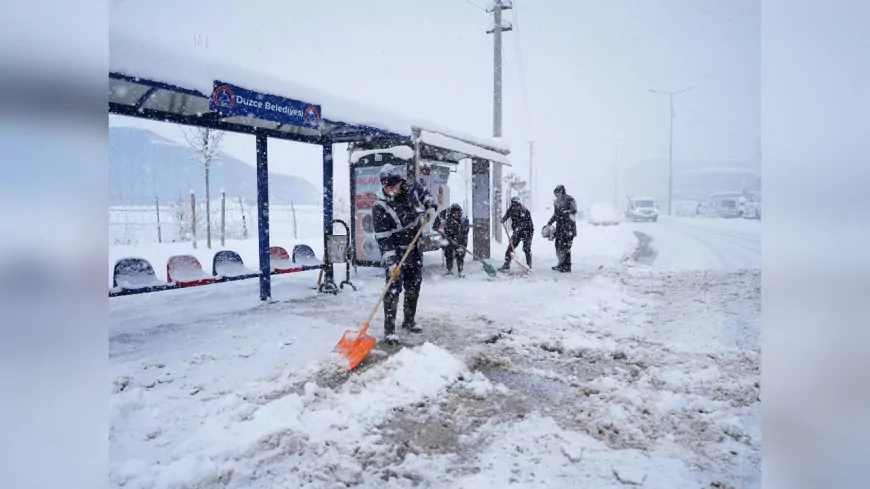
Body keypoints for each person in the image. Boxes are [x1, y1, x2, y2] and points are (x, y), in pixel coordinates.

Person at [371, 164, 438, 345]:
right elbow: (384, 238)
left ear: (400, 182)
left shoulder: (411, 187)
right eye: (388, 187)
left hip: (415, 245)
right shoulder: (380, 207)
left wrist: (430, 206)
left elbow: (426, 195)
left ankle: (409, 321)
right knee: (393, 288)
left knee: (414, 284)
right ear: (383, 186)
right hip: (396, 250)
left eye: (395, 185)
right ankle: (390, 330)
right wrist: (392, 262)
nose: (392, 189)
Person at [432, 203, 470, 276]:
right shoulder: (444, 214)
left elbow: (465, 231)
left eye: (459, 213)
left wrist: (459, 243)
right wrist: (442, 231)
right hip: (448, 235)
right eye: (456, 213)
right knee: (448, 251)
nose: (458, 214)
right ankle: (449, 270)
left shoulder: (464, 218)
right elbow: (435, 226)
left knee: (460, 252)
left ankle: (460, 271)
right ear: (452, 212)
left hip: (461, 236)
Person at [546, 184, 578, 272]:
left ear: (562, 191)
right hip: (560, 228)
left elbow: (574, 211)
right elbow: (555, 214)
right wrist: (549, 223)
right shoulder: (556, 202)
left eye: (557, 192)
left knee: (566, 247)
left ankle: (567, 266)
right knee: (558, 246)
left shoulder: (570, 199)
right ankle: (561, 263)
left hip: (569, 228)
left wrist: (565, 213)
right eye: (555, 193)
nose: (556, 195)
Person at [499, 196, 534, 270]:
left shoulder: (524, 211)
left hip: (528, 232)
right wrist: (503, 219)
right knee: (510, 248)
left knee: (526, 249)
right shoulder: (511, 210)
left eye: (517, 205)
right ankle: (506, 265)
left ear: (519, 204)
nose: (515, 207)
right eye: (513, 205)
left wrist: (513, 236)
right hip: (517, 232)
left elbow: (521, 225)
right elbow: (507, 215)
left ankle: (529, 267)